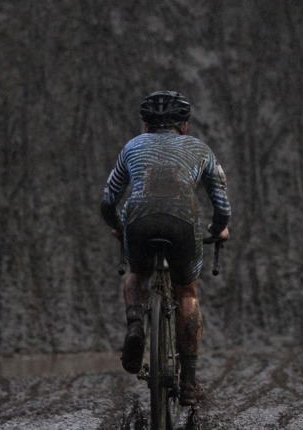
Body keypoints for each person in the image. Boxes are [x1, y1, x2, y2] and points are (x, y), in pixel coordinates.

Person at [100, 90, 231, 406]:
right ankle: (188, 381)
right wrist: (218, 230)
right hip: (183, 223)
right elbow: (222, 205)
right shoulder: (200, 149)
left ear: (145, 124)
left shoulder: (132, 146)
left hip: (139, 222)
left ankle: (135, 324)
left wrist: (118, 228)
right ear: (184, 126)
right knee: (187, 292)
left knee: (137, 273)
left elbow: (108, 200)